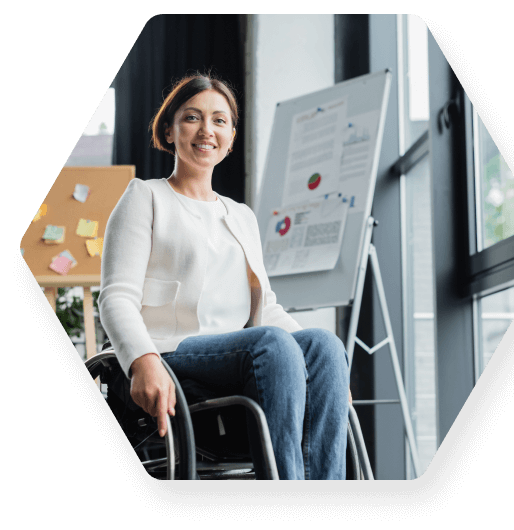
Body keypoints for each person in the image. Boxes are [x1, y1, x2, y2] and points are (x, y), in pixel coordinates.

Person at [98, 71, 352, 480]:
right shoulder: (144, 197)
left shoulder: (241, 215)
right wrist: (143, 361)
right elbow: (115, 298)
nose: (207, 130)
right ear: (170, 129)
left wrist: (328, 369)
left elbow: (265, 308)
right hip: (173, 351)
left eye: (219, 120)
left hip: (238, 353)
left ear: (231, 136)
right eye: (192, 117)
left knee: (324, 346)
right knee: (272, 345)